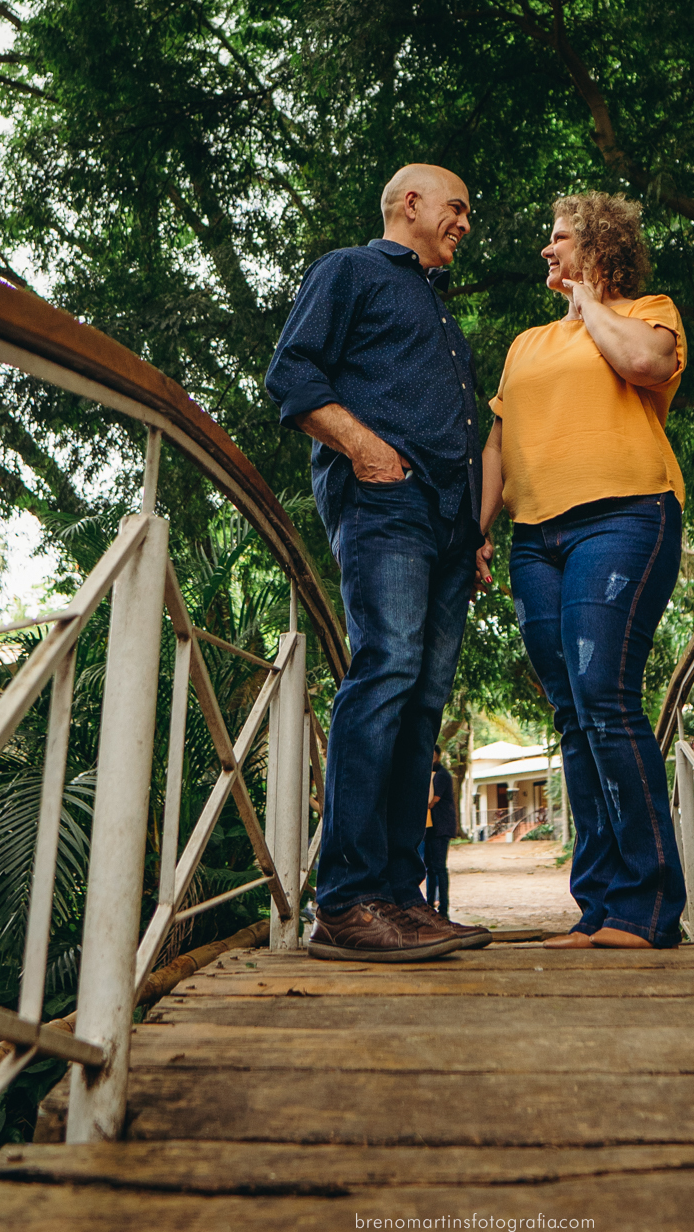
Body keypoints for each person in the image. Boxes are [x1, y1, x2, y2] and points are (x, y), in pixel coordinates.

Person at [265, 164, 493, 962]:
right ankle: (347, 899)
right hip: (386, 502)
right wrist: (365, 449)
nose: (465, 222)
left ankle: (400, 896)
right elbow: (292, 375)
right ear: (412, 203)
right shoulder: (351, 270)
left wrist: (473, 529)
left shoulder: (439, 310)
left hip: (447, 525)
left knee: (424, 701)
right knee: (387, 670)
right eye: (458, 207)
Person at [481, 192, 688, 951]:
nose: (547, 248)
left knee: (604, 695)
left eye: (561, 237)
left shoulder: (648, 314)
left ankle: (648, 907)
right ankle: (598, 907)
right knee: (571, 712)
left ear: (599, 247)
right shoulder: (525, 345)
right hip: (535, 539)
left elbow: (642, 363)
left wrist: (589, 302)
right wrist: (476, 533)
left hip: (624, 517)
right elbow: (497, 446)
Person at [424, 744, 457, 919]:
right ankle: (430, 905)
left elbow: (432, 801)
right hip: (430, 827)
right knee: (430, 868)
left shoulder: (442, 775)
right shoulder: (429, 774)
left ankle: (443, 909)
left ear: (438, 756)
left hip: (441, 827)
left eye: (433, 756)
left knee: (439, 868)